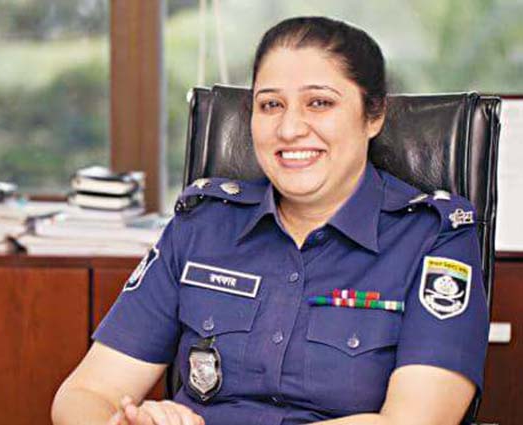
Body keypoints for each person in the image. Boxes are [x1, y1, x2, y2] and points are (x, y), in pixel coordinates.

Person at [51, 16, 489, 425]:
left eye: (319, 103)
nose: (289, 128)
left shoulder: (434, 237)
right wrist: (125, 422)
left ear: (373, 116)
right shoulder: (202, 225)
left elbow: (411, 421)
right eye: (271, 105)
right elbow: (85, 393)